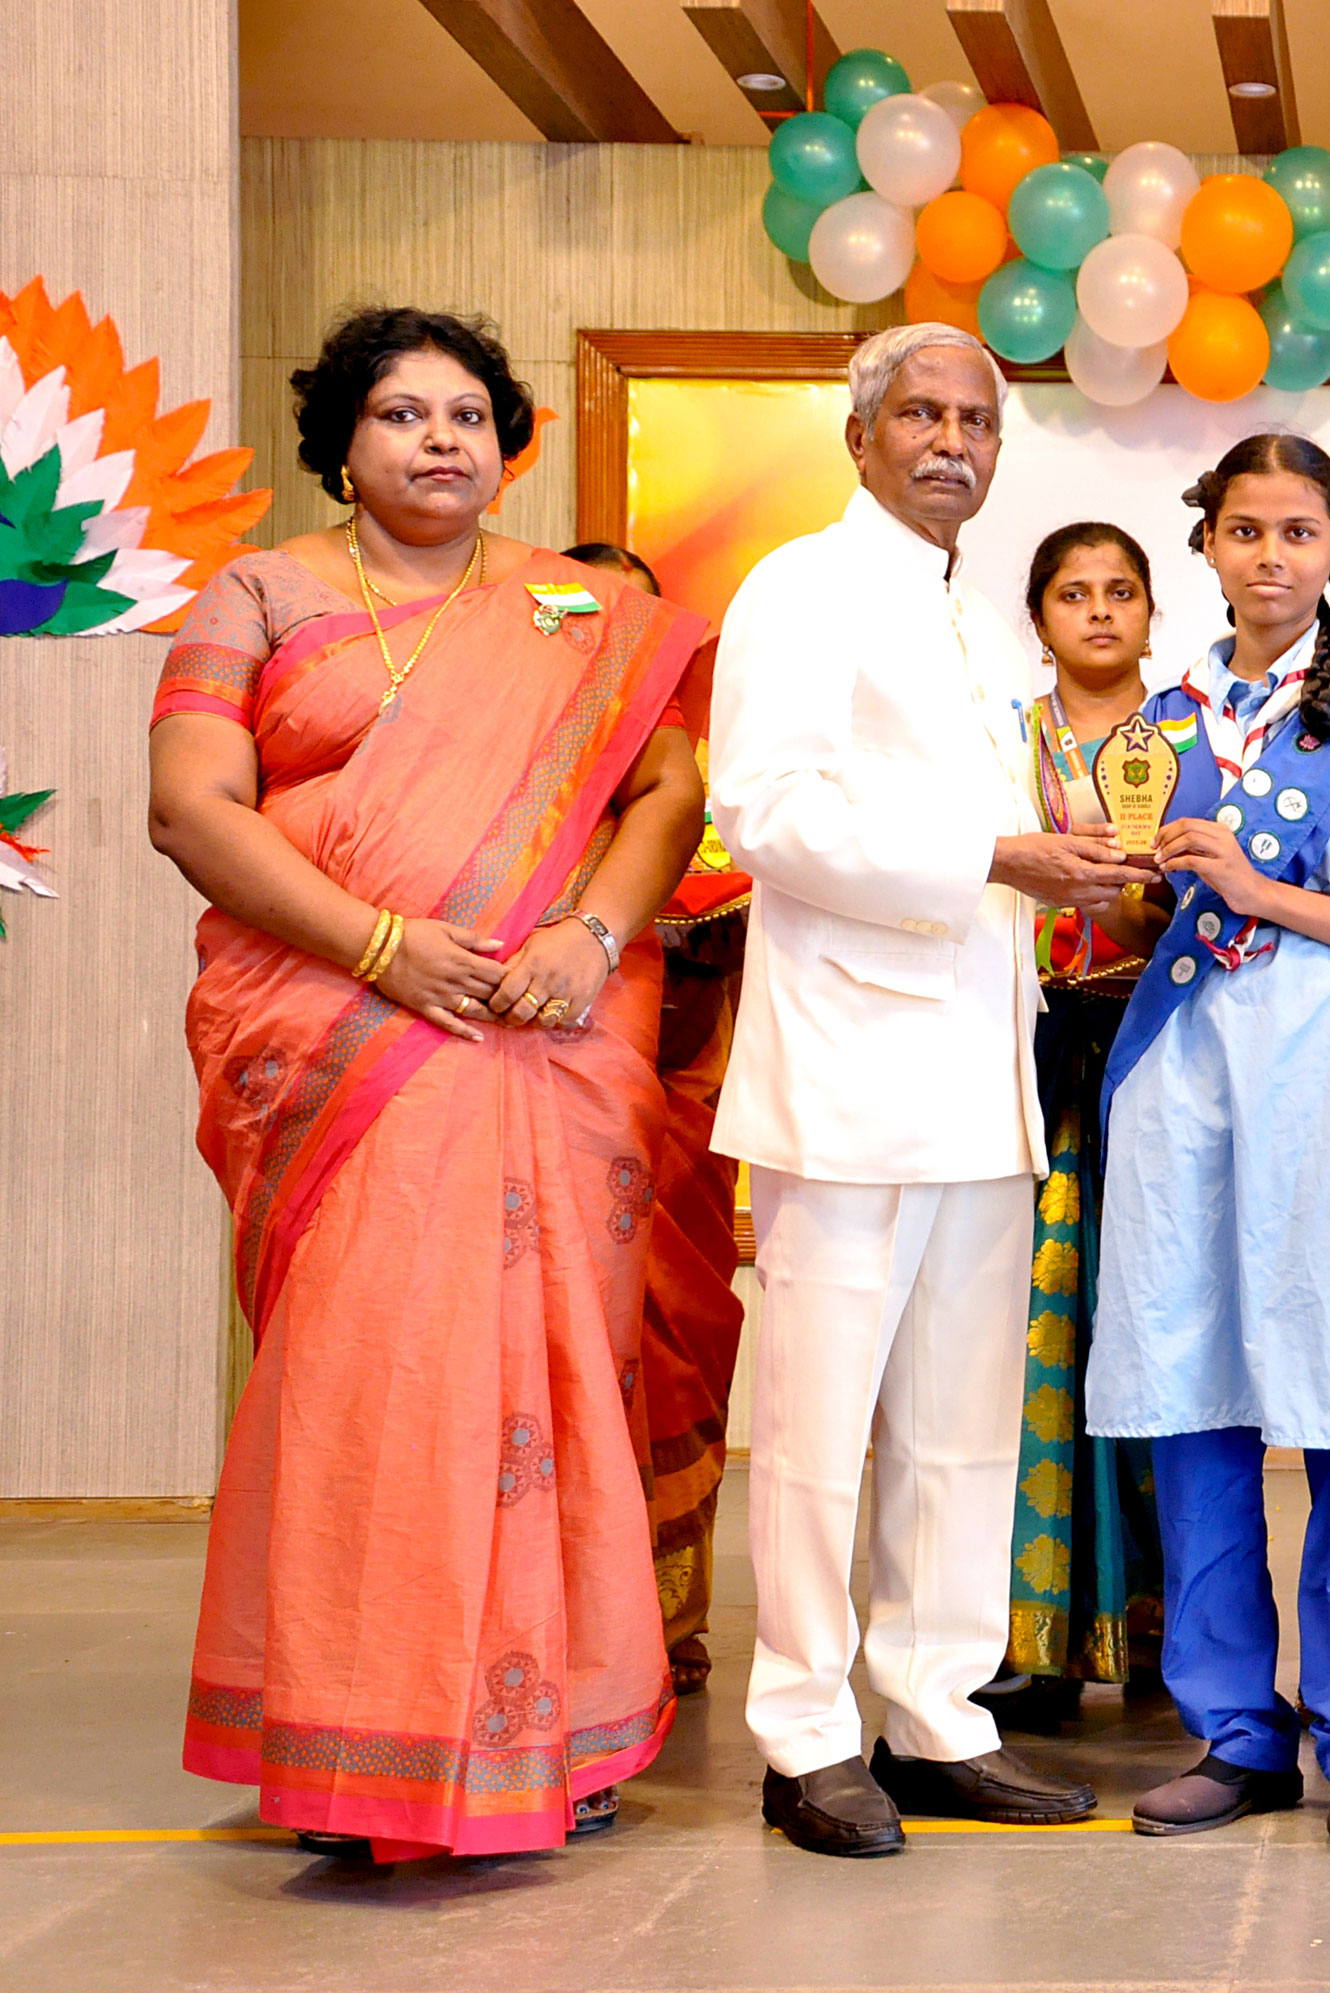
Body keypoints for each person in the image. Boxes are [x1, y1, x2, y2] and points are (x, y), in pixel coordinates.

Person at [149, 306, 704, 1859]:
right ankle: (364, 1741)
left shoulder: (580, 609)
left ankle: (561, 1733)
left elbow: (669, 788)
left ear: (505, 443)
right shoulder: (259, 593)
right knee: (371, 1381)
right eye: (402, 413)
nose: (442, 439)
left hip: (547, 1035)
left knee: (553, 1380)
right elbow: (192, 806)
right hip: (342, 1038)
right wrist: (385, 948)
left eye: (468, 414)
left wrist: (593, 936)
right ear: (343, 441)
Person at [707, 322, 1143, 1858]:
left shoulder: (969, 621)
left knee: (962, 1429)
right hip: (846, 1075)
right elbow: (762, 809)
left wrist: (1061, 850)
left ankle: (937, 1714)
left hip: (977, 1075)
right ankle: (805, 1734)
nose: (954, 441)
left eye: (978, 420)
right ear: (860, 435)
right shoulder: (801, 587)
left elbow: (981, 839)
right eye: (922, 414)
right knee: (819, 1431)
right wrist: (995, 855)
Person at [1086, 432, 1330, 1860]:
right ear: (1205, 544)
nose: (1269, 555)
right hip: (1185, 1082)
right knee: (1196, 1402)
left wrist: (1262, 890)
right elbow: (1157, 914)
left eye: (1298, 531)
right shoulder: (1166, 716)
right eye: (1243, 529)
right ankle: (1236, 1733)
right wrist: (1129, 895)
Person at [989, 522, 1171, 1722]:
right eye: (1073, 593)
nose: (1099, 611)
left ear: (1152, 611)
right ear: (1039, 617)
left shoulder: (1194, 735)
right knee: (1036, 1327)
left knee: (1155, 1322)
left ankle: (1162, 1626)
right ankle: (1033, 1636)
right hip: (1034, 1056)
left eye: (1120, 591)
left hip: (1165, 1051)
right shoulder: (1003, 740)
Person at [566, 539, 747, 1702]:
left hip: (675, 1126)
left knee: (677, 1348)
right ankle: (558, 1614)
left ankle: (667, 1616)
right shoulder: (508, 781)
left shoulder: (709, 786)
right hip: (541, 1116)